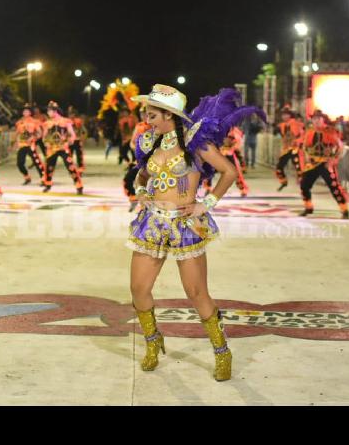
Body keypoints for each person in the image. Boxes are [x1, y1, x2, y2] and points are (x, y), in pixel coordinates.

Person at [128, 84, 263, 382]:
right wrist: (140, 190)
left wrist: (207, 204)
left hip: (185, 226)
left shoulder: (195, 141)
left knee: (196, 293)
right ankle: (153, 343)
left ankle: (222, 351)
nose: (146, 117)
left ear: (169, 114)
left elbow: (229, 171)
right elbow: (142, 172)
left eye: (151, 112)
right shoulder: (148, 140)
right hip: (152, 223)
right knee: (138, 289)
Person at [297, 111, 349, 219]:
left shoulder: (331, 131)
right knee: (304, 185)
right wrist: (306, 156)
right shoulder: (309, 132)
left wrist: (333, 159)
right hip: (312, 164)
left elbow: (340, 147)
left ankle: (344, 210)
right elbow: (304, 147)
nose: (316, 121)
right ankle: (308, 207)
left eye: (318, 119)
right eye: (314, 119)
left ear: (323, 120)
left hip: (326, 163)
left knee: (334, 186)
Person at [41, 101, 83, 195]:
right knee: (49, 167)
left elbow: (73, 135)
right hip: (52, 148)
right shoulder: (47, 123)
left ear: (55, 111)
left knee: (70, 166)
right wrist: (46, 143)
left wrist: (68, 141)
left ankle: (79, 185)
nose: (48, 113)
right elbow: (44, 137)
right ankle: (47, 185)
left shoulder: (65, 121)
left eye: (49, 111)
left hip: (63, 147)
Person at [13, 104, 46, 185]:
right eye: (24, 111)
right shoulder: (19, 122)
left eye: (27, 111)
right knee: (19, 163)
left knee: (37, 162)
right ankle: (27, 177)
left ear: (30, 112)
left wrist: (34, 137)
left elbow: (39, 133)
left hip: (31, 145)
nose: (25, 112)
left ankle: (44, 178)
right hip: (22, 145)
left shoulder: (35, 122)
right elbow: (16, 133)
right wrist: (14, 143)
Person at [275, 109, 304, 191]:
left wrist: (298, 142)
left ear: (290, 115)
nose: (284, 116)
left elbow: (302, 135)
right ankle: (283, 181)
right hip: (286, 149)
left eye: (286, 115)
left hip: (295, 148)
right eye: (283, 115)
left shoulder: (297, 124)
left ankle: (303, 185)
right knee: (279, 166)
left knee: (298, 167)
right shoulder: (282, 125)